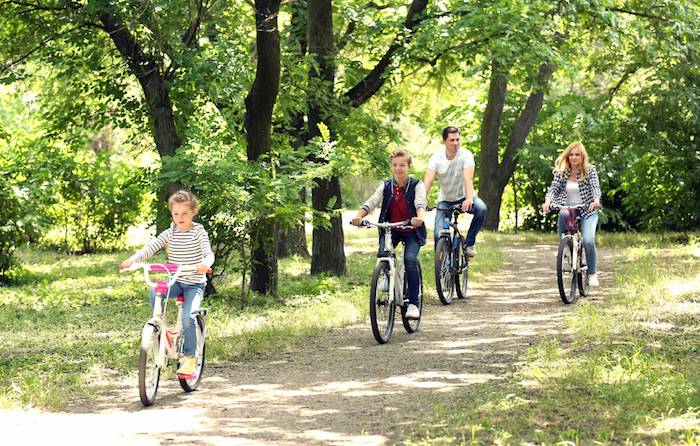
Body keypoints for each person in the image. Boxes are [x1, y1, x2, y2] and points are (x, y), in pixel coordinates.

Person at [121, 190, 214, 375]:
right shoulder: (170, 232)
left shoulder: (198, 232)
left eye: (185, 213)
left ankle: (189, 358)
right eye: (176, 213)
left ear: (193, 212)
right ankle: (160, 327)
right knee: (155, 291)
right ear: (171, 214)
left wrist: (205, 264)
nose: (180, 217)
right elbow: (152, 247)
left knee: (189, 317)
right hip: (176, 280)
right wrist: (133, 259)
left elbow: (208, 253)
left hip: (194, 283)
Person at [351, 149, 427, 320]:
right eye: (395, 165)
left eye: (402, 165)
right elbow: (372, 201)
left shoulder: (417, 185)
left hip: (411, 230)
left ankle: (413, 303)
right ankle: (387, 272)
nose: (398, 168)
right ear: (391, 167)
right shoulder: (386, 185)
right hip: (390, 229)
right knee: (383, 254)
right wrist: (358, 217)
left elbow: (420, 202)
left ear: (408, 166)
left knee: (409, 260)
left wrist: (419, 218)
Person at [542, 141, 602, 287]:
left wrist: (596, 200)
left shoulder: (590, 171)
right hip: (568, 208)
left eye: (577, 155)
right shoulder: (562, 171)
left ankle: (592, 273)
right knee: (563, 214)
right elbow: (553, 189)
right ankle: (566, 247)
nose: (574, 157)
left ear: (582, 157)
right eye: (571, 155)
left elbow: (595, 187)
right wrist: (548, 201)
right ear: (567, 156)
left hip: (587, 209)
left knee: (588, 241)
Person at [423, 126, 487, 257]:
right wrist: (422, 198)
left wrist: (469, 199)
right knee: (438, 234)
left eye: (458, 140)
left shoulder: (466, 155)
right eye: (452, 140)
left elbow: (467, 178)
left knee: (481, 209)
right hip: (446, 200)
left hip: (465, 197)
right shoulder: (436, 158)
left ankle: (468, 244)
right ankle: (442, 267)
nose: (456, 143)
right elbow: (428, 181)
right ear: (444, 141)